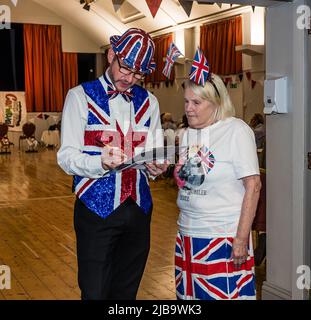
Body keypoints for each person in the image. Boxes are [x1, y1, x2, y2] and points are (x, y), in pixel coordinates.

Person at [57, 28, 168, 300]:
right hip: (95, 209)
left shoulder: (150, 102)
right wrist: (100, 163)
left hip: (139, 210)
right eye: (126, 69)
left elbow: (153, 151)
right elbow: (66, 157)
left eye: (138, 75)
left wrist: (156, 167)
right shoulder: (79, 97)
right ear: (111, 55)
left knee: (126, 293)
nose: (129, 79)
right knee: (94, 292)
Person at [174, 75, 261, 300]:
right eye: (186, 102)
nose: (188, 109)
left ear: (217, 102)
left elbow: (253, 186)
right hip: (187, 235)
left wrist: (241, 239)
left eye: (196, 103)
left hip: (221, 237)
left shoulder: (236, 131)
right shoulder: (187, 135)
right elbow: (188, 179)